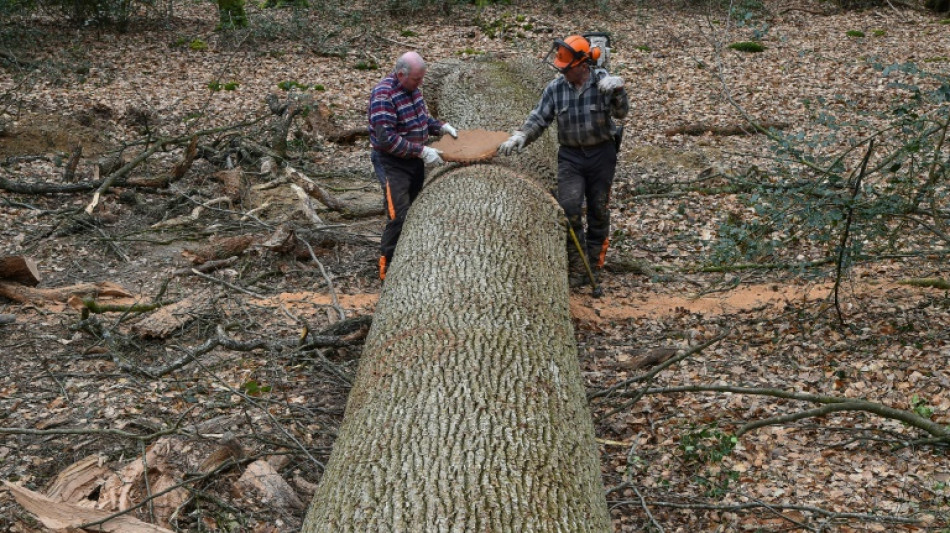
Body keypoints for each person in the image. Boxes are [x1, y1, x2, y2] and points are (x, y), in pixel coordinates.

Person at [499, 34, 628, 288]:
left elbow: (621, 113)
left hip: (601, 154)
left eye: (566, 68)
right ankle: (577, 266)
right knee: (569, 209)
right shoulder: (555, 89)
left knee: (598, 210)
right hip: (571, 156)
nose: (563, 73)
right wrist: (521, 135)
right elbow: (539, 118)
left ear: (582, 65)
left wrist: (618, 90)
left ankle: (594, 263)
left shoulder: (602, 83)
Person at [369, 51, 458, 280]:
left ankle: (410, 258)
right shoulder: (383, 96)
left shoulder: (413, 90)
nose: (420, 84)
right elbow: (386, 139)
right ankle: (386, 269)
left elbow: (421, 121)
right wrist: (422, 150)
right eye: (417, 79)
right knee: (398, 214)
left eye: (421, 79)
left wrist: (440, 127)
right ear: (401, 74)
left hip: (414, 159)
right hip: (392, 163)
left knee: (416, 208)